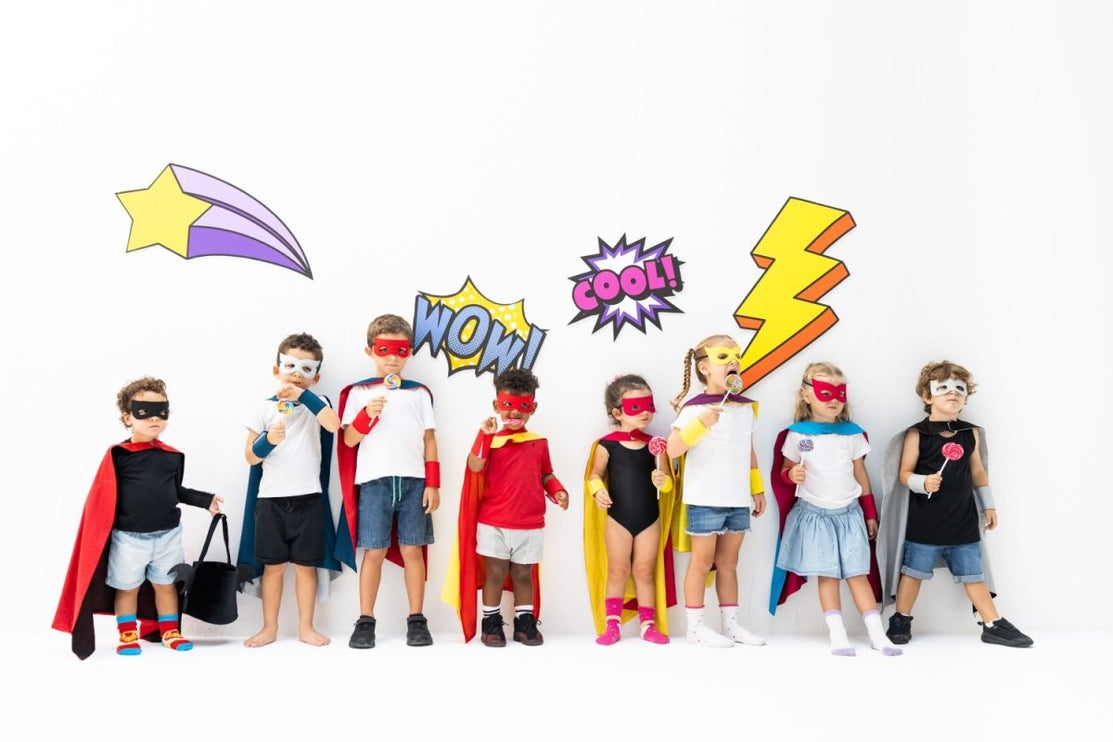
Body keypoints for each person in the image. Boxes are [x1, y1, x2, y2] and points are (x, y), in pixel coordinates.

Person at [54, 377, 222, 659]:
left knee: (166, 586)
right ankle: (127, 633)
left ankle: (170, 631)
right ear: (127, 417)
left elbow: (174, 490)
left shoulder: (171, 456)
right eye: (145, 411)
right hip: (129, 538)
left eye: (161, 411)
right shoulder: (119, 455)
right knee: (127, 587)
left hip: (168, 535)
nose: (155, 418)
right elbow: (103, 495)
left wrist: (205, 500)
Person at [877, 360, 1033, 648]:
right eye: (944, 388)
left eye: (960, 389)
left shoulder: (969, 433)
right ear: (928, 396)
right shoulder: (917, 434)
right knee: (912, 573)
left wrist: (988, 506)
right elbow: (904, 473)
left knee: (974, 575)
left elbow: (978, 471)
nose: (953, 393)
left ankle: (992, 623)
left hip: (962, 523)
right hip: (925, 524)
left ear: (966, 397)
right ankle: (901, 618)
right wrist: (923, 482)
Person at [769, 362, 900, 656]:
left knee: (858, 574)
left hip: (849, 515)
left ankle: (877, 634)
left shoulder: (851, 434)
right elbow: (786, 470)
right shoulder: (797, 435)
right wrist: (791, 475)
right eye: (825, 392)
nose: (834, 400)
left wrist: (869, 512)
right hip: (814, 516)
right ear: (807, 395)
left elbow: (860, 473)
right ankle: (837, 635)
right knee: (827, 576)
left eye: (840, 393)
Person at [444, 368, 569, 647]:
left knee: (524, 574)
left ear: (532, 408)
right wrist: (484, 436)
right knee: (496, 572)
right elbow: (475, 466)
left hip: (530, 522)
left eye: (523, 406)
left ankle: (525, 623)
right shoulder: (491, 441)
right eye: (508, 405)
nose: (514, 412)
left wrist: (557, 491)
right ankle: (490, 623)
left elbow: (546, 474)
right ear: (496, 405)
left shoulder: (538, 442)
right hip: (494, 522)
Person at [337, 314, 440, 649]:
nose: (392, 357)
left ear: (409, 352)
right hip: (374, 482)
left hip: (414, 482)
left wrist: (433, 483)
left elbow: (429, 439)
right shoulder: (359, 392)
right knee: (375, 550)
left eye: (400, 350)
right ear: (370, 351)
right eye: (384, 349)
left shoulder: (419, 393)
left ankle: (417, 619)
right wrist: (367, 415)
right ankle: (365, 620)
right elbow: (349, 440)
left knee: (413, 549)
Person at [237, 333, 342, 648]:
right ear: (276, 369)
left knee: (306, 569)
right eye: (290, 366)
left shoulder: (318, 405)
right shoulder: (264, 408)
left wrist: (303, 395)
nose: (297, 373)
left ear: (316, 377)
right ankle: (269, 627)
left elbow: (333, 425)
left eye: (306, 369)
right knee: (273, 568)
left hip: (308, 499)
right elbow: (250, 456)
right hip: (271, 501)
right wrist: (267, 441)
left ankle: (306, 627)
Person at [666, 335, 766, 648]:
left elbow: (749, 449)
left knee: (729, 562)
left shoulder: (746, 409)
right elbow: (673, 449)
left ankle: (730, 625)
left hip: (737, 498)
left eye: (737, 357)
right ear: (705, 367)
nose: (733, 362)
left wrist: (757, 489)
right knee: (701, 560)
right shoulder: (693, 409)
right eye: (724, 357)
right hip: (705, 498)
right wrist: (701, 423)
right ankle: (695, 627)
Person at [584, 374, 675, 645]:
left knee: (645, 571)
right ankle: (611, 625)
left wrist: (664, 481)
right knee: (617, 570)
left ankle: (648, 625)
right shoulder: (606, 445)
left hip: (649, 519)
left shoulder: (657, 446)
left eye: (649, 405)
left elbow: (669, 485)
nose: (645, 412)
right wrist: (597, 490)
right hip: (617, 519)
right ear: (617, 413)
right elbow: (594, 475)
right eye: (636, 407)